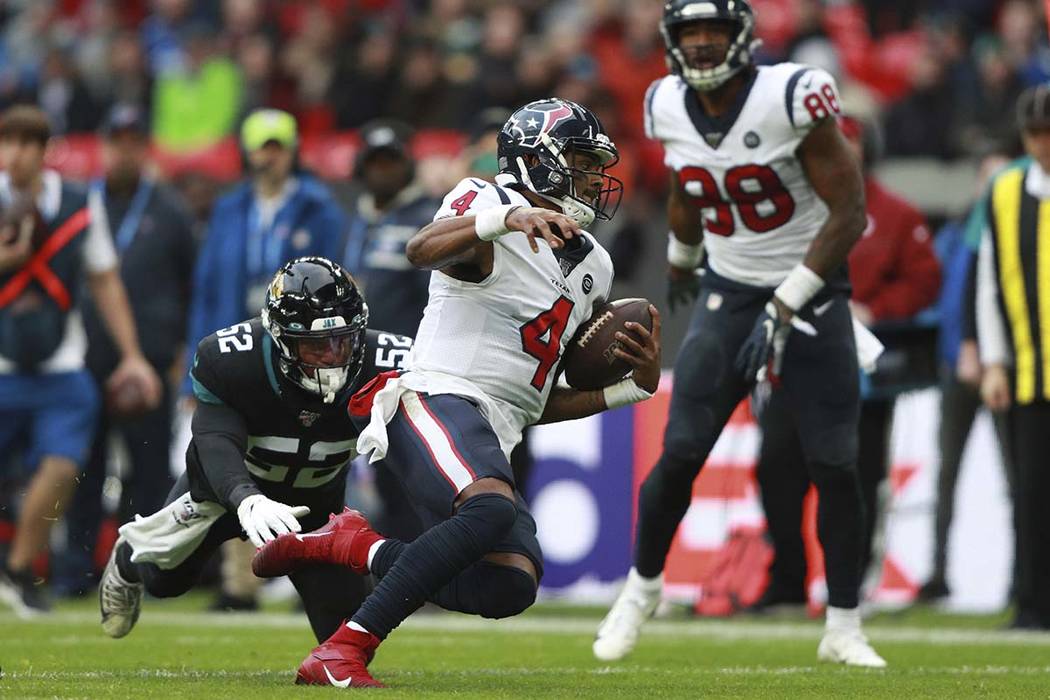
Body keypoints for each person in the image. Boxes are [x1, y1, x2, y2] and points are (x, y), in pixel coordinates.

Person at [250, 99, 662, 688]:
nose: (594, 177)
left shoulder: (594, 263)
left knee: (510, 583)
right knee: (491, 508)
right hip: (432, 398)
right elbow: (421, 250)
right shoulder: (488, 201)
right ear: (540, 162)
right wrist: (505, 221)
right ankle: (343, 650)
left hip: (491, 425)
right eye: (579, 160)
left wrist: (630, 390)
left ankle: (355, 546)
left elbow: (531, 400)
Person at [593, 0, 885, 667]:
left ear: (741, 39)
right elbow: (687, 186)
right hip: (730, 290)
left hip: (809, 290)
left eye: (711, 32)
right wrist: (681, 261)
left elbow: (850, 210)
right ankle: (641, 589)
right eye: (688, 32)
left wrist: (788, 300)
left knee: (835, 462)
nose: (698, 44)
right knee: (683, 450)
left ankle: (844, 624)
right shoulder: (665, 102)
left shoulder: (790, 95)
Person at [98, 257, 414, 643]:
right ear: (281, 339)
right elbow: (215, 442)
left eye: (342, 340)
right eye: (316, 346)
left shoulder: (393, 361)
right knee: (165, 582)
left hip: (314, 504)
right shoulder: (231, 360)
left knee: (347, 634)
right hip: (221, 494)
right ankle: (129, 556)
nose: (332, 356)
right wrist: (246, 499)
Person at [752, 115, 941, 608]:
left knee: (855, 474)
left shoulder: (896, 215)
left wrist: (877, 309)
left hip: (862, 369)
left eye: (847, 143)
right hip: (794, 359)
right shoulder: (790, 211)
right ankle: (787, 580)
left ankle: (847, 588)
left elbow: (924, 280)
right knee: (776, 467)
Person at [183, 107, 347, 611]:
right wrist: (199, 354)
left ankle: (316, 565)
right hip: (244, 352)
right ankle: (241, 583)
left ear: (292, 150)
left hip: (306, 350)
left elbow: (336, 279)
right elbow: (209, 284)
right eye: (262, 146)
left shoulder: (319, 206)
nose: (269, 156)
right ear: (248, 151)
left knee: (320, 459)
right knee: (241, 460)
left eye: (278, 146)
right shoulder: (232, 209)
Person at [0, 105, 161, 616]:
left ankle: (21, 568)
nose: (17, 154)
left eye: (28, 143)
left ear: (45, 151)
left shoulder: (77, 203)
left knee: (64, 466)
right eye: (8, 142)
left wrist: (132, 354)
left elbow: (105, 278)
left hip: (61, 365)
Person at [51, 104, 197, 597]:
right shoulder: (80, 204)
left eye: (135, 140)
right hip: (83, 358)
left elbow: (188, 286)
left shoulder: (171, 210)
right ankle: (74, 572)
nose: (125, 150)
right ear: (104, 145)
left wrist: (181, 356)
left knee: (149, 471)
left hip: (150, 362)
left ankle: (143, 571)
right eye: (117, 140)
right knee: (81, 467)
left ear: (145, 147)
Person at [918, 152, 1015, 604]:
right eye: (987, 178)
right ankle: (937, 571)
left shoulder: (1014, 232)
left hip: (1004, 368)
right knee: (947, 475)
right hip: (955, 366)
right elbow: (937, 293)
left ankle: (1024, 578)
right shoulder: (958, 234)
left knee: (1019, 477)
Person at [976, 84, 1050, 630]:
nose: (1043, 144)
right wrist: (995, 361)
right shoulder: (1005, 191)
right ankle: (1033, 603)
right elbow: (989, 283)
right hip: (1027, 371)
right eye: (1035, 135)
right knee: (1030, 496)